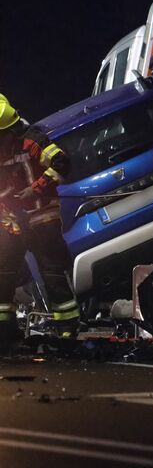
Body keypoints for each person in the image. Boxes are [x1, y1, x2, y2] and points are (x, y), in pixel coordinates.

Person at [0, 94, 78, 347]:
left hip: (41, 216)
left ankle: (67, 327)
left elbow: (61, 163)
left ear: (11, 130)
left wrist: (36, 188)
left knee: (51, 270)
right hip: (11, 219)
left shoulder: (32, 141)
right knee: (4, 273)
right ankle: (4, 330)